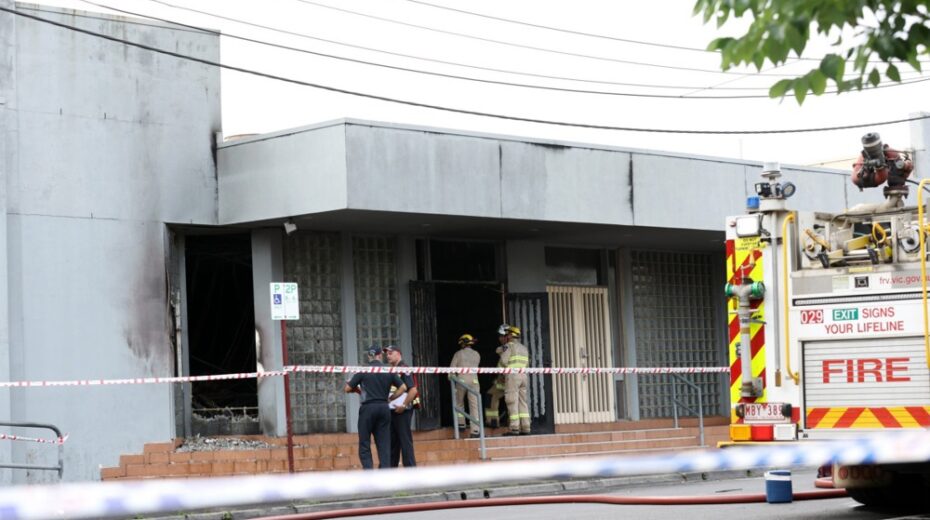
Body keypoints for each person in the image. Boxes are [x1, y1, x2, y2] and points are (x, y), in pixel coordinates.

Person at [344, 347, 406, 469]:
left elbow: (347, 388)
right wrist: (391, 398)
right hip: (383, 408)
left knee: (365, 443)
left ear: (369, 357)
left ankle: (369, 474)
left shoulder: (364, 370)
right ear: (380, 356)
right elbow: (403, 387)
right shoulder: (387, 370)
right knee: (384, 444)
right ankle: (385, 475)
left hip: (368, 409)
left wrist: (359, 391)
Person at [383, 345, 418, 467]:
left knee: (405, 441)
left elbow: (412, 390)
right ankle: (391, 473)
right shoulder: (392, 370)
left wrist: (404, 405)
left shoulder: (404, 368)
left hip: (403, 411)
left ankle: (411, 472)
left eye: (390, 353)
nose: (387, 356)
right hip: (392, 411)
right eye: (386, 354)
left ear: (398, 354)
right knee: (393, 442)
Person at [498, 323, 531, 435]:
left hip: (513, 376)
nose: (506, 336)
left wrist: (502, 372)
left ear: (511, 336)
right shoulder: (524, 348)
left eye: (507, 335)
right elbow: (527, 364)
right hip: (524, 376)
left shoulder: (509, 346)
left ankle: (514, 428)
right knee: (523, 401)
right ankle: (526, 427)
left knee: (512, 400)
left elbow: (503, 361)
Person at [449, 333, 481, 437]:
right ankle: (475, 430)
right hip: (474, 381)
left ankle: (461, 424)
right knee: (474, 405)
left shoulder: (458, 354)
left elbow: (452, 369)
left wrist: (451, 379)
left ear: (462, 343)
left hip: (462, 380)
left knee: (459, 403)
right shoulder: (477, 354)